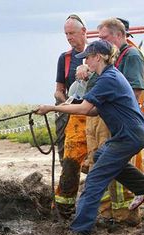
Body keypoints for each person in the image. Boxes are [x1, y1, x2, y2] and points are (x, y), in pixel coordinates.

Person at [36, 39, 144, 235]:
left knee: (94, 179)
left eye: (88, 58)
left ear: (99, 57)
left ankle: (80, 228)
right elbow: (93, 111)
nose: (85, 63)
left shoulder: (107, 79)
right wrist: (61, 107)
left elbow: (85, 108)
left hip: (129, 135)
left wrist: (52, 107)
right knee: (100, 155)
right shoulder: (107, 77)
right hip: (128, 133)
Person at [53, 14, 89, 218]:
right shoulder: (65, 59)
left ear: (83, 32)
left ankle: (99, 205)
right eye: (66, 34)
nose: (69, 38)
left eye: (72, 33)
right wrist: (62, 100)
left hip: (94, 114)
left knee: (99, 160)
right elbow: (59, 88)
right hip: (72, 114)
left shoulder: (98, 53)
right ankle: (65, 209)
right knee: (68, 161)